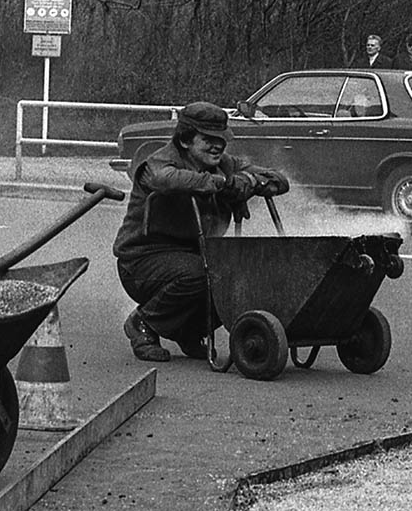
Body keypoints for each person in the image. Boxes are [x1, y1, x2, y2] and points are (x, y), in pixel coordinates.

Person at [113, 101, 290, 362]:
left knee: (240, 276)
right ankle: (143, 322)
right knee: (204, 273)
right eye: (208, 139)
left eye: (221, 139)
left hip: (195, 256)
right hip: (142, 261)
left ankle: (188, 331)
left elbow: (278, 180)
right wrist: (222, 184)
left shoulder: (226, 164)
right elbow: (165, 179)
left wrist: (249, 181)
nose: (217, 146)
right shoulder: (158, 162)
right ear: (185, 140)